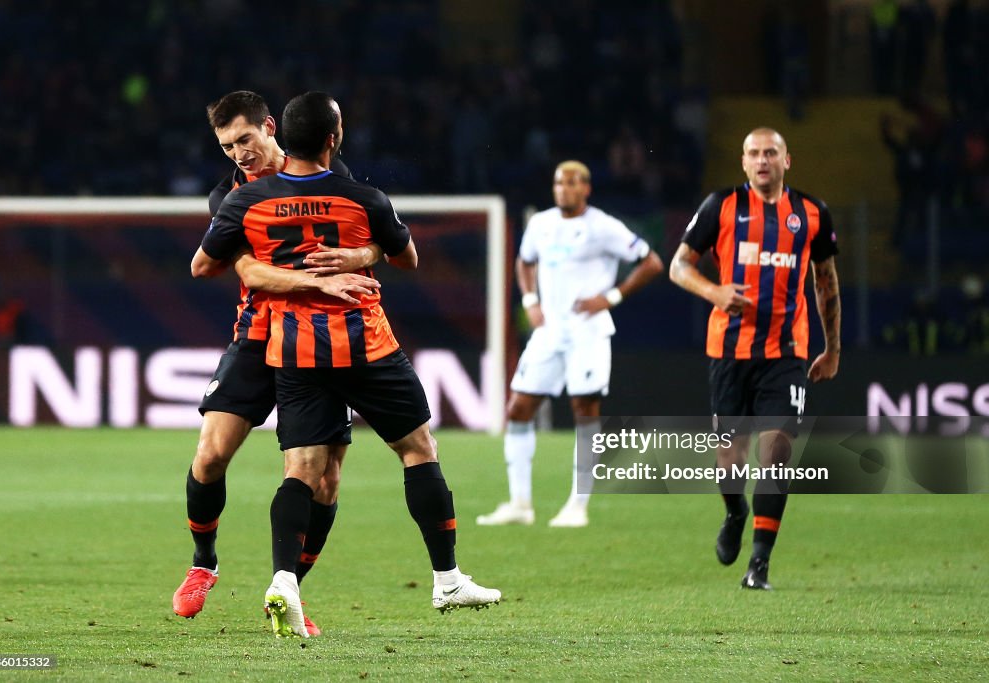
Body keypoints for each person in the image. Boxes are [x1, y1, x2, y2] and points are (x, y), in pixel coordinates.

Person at [201, 91, 500, 638]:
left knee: (303, 471)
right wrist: (359, 256)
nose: (238, 152)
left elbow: (204, 264)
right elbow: (407, 257)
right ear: (333, 139)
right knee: (417, 451)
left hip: (294, 352)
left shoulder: (246, 203)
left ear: (277, 136)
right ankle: (448, 578)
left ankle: (284, 581)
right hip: (365, 345)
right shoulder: (363, 197)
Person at [174, 91, 383, 636]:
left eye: (245, 139)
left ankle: (289, 591)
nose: (238, 153)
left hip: (319, 342)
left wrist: (361, 256)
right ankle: (204, 562)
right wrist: (319, 280)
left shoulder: (323, 175)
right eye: (226, 146)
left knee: (325, 480)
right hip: (258, 336)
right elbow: (249, 273)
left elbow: (376, 234)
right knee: (211, 455)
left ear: (270, 128)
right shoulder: (229, 197)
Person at [669, 127, 841, 590]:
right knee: (731, 458)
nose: (762, 160)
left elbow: (825, 280)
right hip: (729, 350)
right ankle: (735, 510)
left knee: (778, 451)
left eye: (771, 153)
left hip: (788, 352)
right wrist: (715, 292)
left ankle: (759, 564)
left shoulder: (811, 213)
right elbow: (678, 266)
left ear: (788, 160)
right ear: (743, 162)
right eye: (753, 153)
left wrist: (832, 348)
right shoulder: (720, 207)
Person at [476, 160, 663, 529]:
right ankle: (520, 503)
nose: (564, 188)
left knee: (584, 410)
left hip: (588, 331)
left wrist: (611, 296)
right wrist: (530, 301)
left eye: (572, 182)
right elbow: (524, 262)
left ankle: (578, 505)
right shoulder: (541, 224)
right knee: (518, 409)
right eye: (559, 182)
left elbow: (652, 262)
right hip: (550, 332)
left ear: (586, 188)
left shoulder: (603, 227)